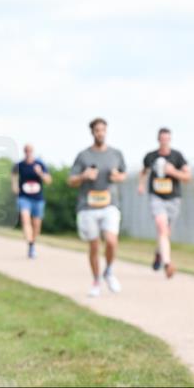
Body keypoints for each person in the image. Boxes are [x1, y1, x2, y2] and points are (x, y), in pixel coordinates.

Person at [68, 118, 127, 297]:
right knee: (94, 246)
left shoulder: (116, 154)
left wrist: (117, 177)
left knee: (111, 241)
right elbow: (70, 180)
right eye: (97, 130)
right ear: (92, 132)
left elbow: (123, 175)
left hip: (110, 203)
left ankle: (108, 270)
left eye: (103, 130)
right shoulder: (83, 156)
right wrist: (84, 176)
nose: (100, 133)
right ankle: (96, 280)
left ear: (106, 131)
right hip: (88, 206)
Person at [137, 128, 190, 278]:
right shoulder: (150, 156)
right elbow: (144, 171)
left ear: (170, 140)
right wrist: (141, 184)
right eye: (162, 139)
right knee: (161, 227)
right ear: (158, 139)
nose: (164, 141)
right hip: (156, 197)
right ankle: (167, 263)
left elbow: (188, 176)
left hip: (173, 198)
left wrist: (173, 172)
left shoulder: (177, 156)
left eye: (167, 139)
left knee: (166, 233)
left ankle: (159, 254)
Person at [12, 144, 53, 259]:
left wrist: (40, 173)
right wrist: (14, 186)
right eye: (26, 150)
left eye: (30, 150)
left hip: (38, 199)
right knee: (25, 220)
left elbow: (49, 180)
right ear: (24, 152)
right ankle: (29, 243)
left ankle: (32, 244)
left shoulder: (40, 164)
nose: (28, 152)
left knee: (36, 225)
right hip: (24, 197)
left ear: (33, 151)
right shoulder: (19, 165)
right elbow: (13, 175)